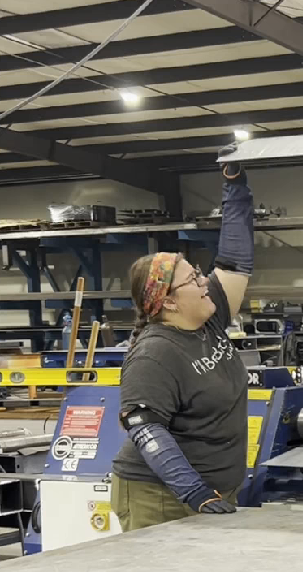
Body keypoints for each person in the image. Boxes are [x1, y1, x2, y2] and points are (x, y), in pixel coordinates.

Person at [111, 146, 254, 531]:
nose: (205, 281)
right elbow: (145, 428)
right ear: (169, 302)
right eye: (193, 279)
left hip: (213, 491)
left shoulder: (209, 319)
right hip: (160, 496)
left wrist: (235, 187)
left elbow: (235, 259)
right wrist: (194, 492)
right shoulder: (154, 355)